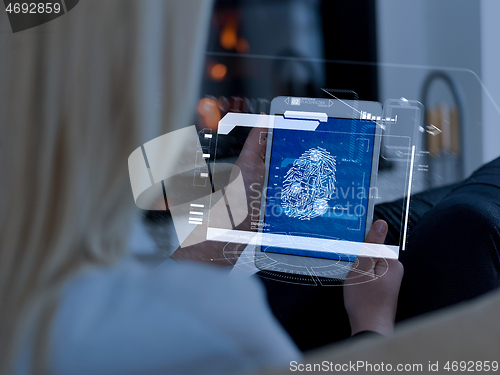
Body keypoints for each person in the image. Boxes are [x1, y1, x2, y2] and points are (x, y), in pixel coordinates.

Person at [0, 1, 403, 374]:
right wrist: (372, 324)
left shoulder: (36, 294)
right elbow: (165, 314)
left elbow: (144, 312)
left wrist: (232, 214)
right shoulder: (219, 328)